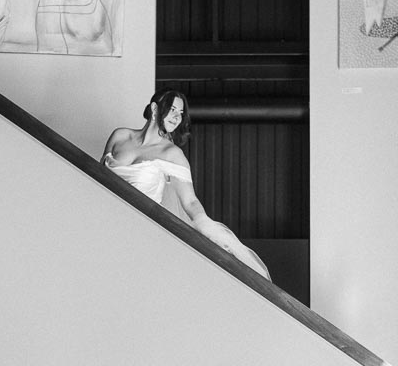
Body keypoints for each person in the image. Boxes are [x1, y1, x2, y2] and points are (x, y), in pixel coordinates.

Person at [102, 90, 271, 280]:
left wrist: (206, 226)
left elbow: (190, 201)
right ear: (155, 109)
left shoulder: (172, 154)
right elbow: (99, 175)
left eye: (181, 113)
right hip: (105, 221)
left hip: (140, 228)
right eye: (172, 109)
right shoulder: (120, 136)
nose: (177, 117)